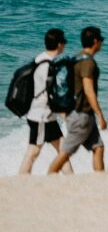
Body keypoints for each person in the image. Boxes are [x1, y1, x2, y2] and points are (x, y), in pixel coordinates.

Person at [48, 27, 107, 174]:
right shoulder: (87, 63)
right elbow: (88, 90)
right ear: (95, 41)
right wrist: (100, 115)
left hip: (82, 113)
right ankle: (49, 176)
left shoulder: (77, 58)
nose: (101, 43)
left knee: (98, 148)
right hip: (81, 114)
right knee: (66, 153)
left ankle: (102, 182)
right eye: (101, 40)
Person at [19, 29, 72, 175]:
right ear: (60, 44)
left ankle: (72, 180)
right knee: (33, 152)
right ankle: (20, 181)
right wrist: (63, 113)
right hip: (41, 116)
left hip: (45, 115)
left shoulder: (39, 59)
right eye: (64, 42)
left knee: (63, 150)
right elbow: (49, 95)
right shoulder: (48, 66)